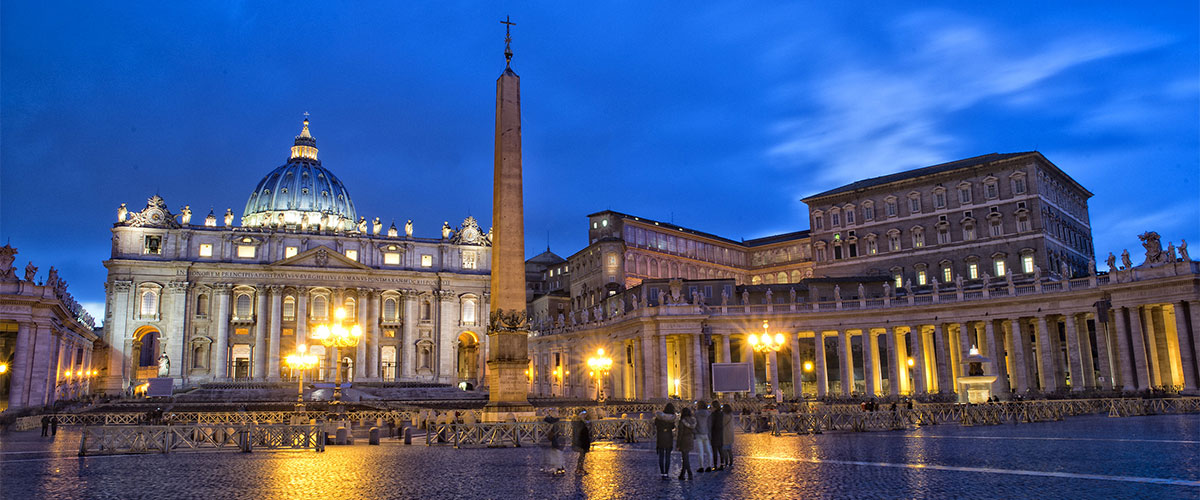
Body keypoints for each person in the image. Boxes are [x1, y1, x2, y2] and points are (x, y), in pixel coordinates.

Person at [654, 403, 678, 479]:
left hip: (660, 437)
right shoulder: (671, 418)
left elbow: (655, 424)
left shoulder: (659, 417)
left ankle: (662, 473)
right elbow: (673, 427)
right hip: (668, 437)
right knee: (668, 456)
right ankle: (666, 473)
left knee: (661, 456)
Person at [676, 407, 696, 480]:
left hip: (684, 440)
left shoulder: (682, 421)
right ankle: (683, 474)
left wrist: (678, 444)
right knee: (685, 457)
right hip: (690, 439)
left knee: (685, 458)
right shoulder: (693, 420)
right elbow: (694, 431)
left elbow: (680, 434)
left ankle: (688, 474)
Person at [693, 402, 713, 473]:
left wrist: (695, 431)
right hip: (706, 433)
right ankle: (709, 466)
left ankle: (701, 467)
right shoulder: (708, 413)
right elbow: (710, 424)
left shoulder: (696, 414)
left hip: (699, 433)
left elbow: (694, 424)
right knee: (708, 451)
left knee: (700, 451)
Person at [544, 409, 565, 475]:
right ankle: (560, 467)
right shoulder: (558, 420)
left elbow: (547, 419)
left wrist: (546, 414)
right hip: (559, 441)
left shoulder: (555, 421)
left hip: (556, 441)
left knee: (556, 455)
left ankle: (559, 468)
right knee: (558, 454)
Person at [571, 410, 592, 475]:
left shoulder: (581, 422)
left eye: (585, 414)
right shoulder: (579, 423)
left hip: (582, 442)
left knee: (582, 456)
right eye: (583, 414)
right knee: (581, 456)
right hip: (580, 442)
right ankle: (579, 469)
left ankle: (580, 468)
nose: (584, 416)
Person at [709, 400, 724, 471]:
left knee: (714, 451)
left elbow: (711, 424)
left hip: (714, 433)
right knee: (720, 450)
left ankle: (715, 465)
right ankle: (722, 464)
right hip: (720, 433)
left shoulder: (713, 415)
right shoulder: (721, 414)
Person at [720, 404, 734, 469]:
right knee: (729, 450)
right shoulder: (731, 415)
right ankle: (731, 462)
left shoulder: (725, 416)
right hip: (730, 434)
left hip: (725, 434)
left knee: (725, 450)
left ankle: (726, 463)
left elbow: (722, 424)